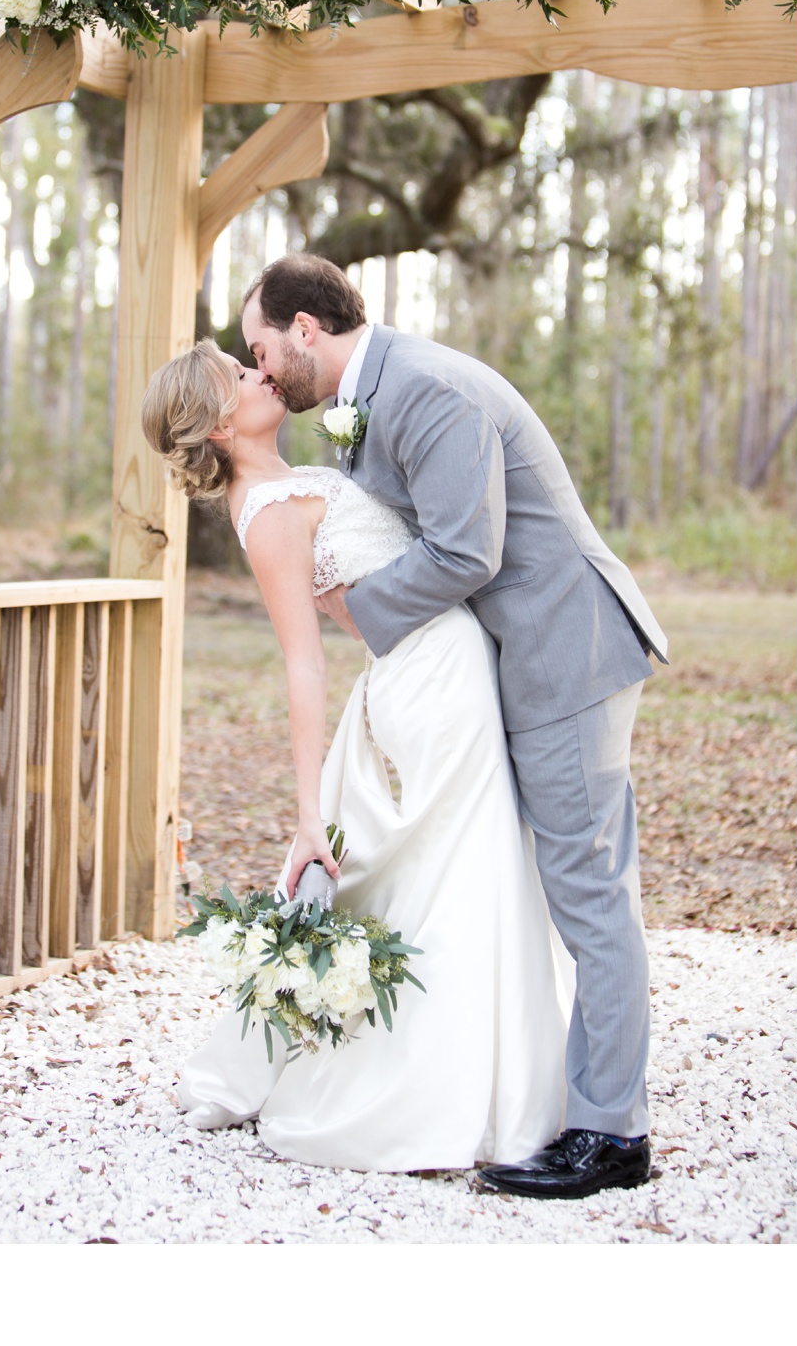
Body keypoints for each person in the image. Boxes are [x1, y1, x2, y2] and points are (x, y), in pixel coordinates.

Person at [231, 254, 671, 1199]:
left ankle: (610, 1134)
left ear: (305, 330)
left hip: (565, 651)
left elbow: (470, 549)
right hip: (504, 667)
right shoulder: (370, 401)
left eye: (260, 346)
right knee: (555, 884)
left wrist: (361, 610)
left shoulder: (426, 389)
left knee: (589, 891)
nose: (260, 367)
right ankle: (556, 1096)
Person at [143, 340, 569, 1172]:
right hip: (428, 682)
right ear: (222, 422)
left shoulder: (289, 482)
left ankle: (486, 1075)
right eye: (241, 374)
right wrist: (308, 816)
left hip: (444, 662)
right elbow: (304, 661)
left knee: (457, 869)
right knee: (467, 869)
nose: (261, 371)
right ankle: (456, 1092)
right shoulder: (265, 512)